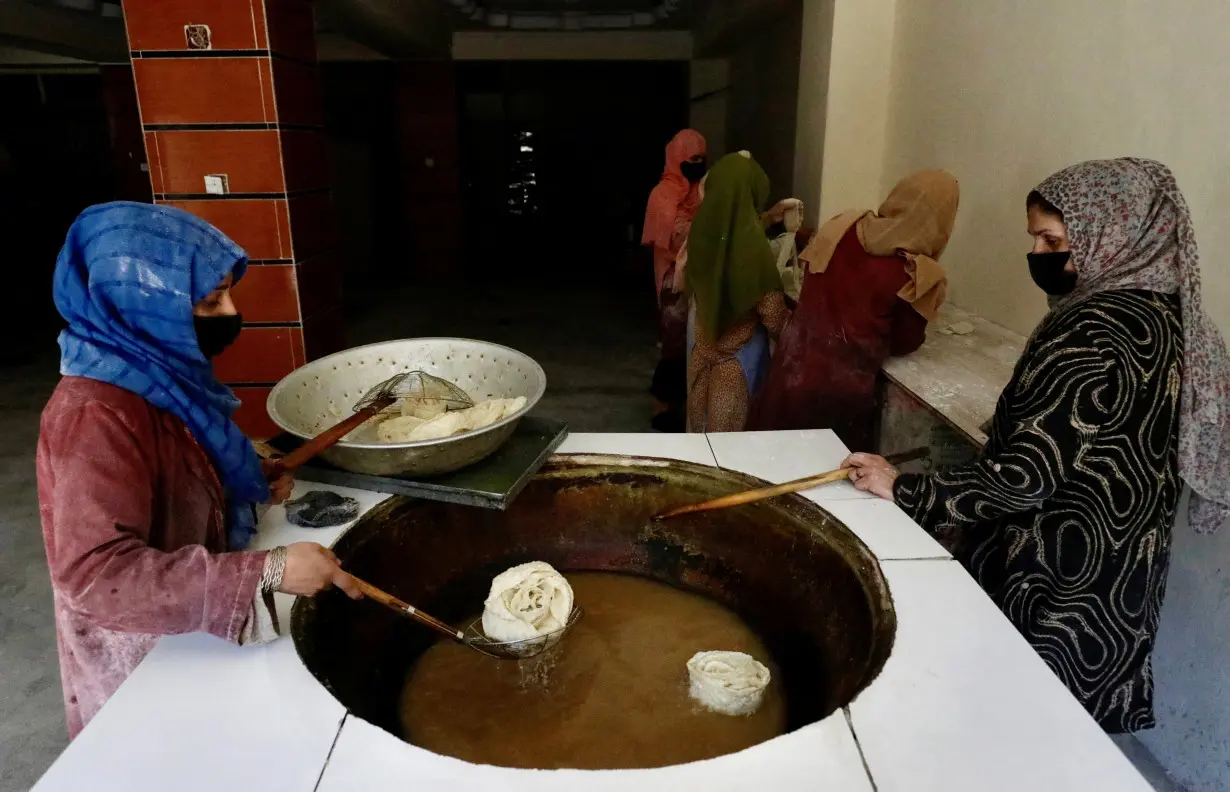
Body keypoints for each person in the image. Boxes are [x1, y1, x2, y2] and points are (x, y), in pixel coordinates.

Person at [843, 158, 1230, 733]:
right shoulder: (1173, 321)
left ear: (1112, 238)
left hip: (1052, 576)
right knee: (1064, 736)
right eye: (1035, 239)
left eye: (1052, 240)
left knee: (1012, 724)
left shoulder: (1092, 331)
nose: (1039, 255)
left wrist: (905, 489)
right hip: (1120, 578)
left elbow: (1024, 477)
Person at [37, 202, 363, 738]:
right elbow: (97, 578)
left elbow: (178, 452)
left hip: (189, 615)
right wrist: (267, 570)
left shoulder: (154, 371)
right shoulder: (93, 414)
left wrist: (241, 471)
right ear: (138, 306)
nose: (230, 313)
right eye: (210, 303)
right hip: (143, 652)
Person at [749, 170, 959, 449]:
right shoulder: (913, 272)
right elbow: (905, 342)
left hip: (789, 372)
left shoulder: (844, 226)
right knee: (815, 481)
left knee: (765, 467)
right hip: (835, 397)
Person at [685, 152, 791, 432]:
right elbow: (775, 319)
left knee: (698, 440)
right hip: (735, 371)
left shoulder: (700, 232)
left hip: (699, 358)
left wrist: (768, 218)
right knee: (728, 455)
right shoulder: (753, 251)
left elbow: (730, 233)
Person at [643, 130, 708, 432]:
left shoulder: (700, 191)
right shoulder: (663, 194)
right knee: (674, 342)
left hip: (694, 275)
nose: (698, 164)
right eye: (692, 159)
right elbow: (674, 234)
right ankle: (662, 408)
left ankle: (676, 406)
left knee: (688, 343)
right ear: (677, 158)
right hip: (672, 278)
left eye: (701, 159)